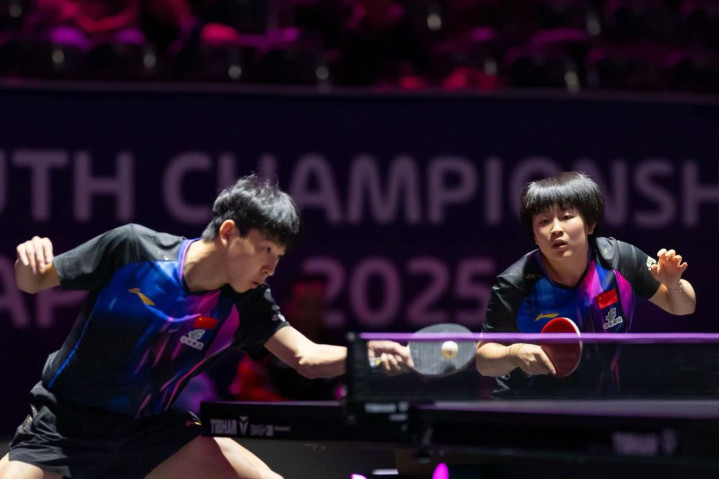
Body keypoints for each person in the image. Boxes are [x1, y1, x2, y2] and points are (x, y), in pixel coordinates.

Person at [0, 174, 411, 479]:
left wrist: (369, 354)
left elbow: (306, 357)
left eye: (280, 257)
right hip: (62, 427)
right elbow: (33, 281)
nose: (271, 267)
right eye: (266, 249)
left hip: (148, 433)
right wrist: (28, 261)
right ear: (229, 233)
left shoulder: (246, 304)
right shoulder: (134, 248)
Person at [475, 171, 696, 397]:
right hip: (525, 407)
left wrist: (674, 285)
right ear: (534, 235)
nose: (556, 229)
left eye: (566, 216)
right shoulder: (516, 282)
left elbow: (683, 307)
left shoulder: (619, 259)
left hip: (600, 404)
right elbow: (484, 361)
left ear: (590, 225)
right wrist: (515, 353)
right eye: (544, 221)